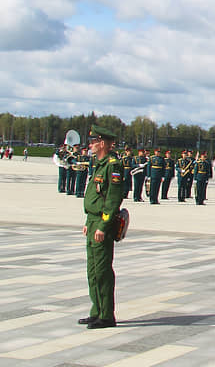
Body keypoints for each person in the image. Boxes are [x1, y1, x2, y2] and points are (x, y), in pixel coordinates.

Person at [80, 124, 123, 329]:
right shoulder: (99, 163)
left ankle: (106, 315)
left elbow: (113, 200)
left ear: (103, 143)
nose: (91, 145)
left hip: (102, 223)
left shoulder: (113, 165)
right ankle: (96, 310)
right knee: (92, 270)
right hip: (93, 221)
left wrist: (103, 226)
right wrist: (89, 222)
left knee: (103, 270)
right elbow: (95, 195)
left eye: (94, 141)